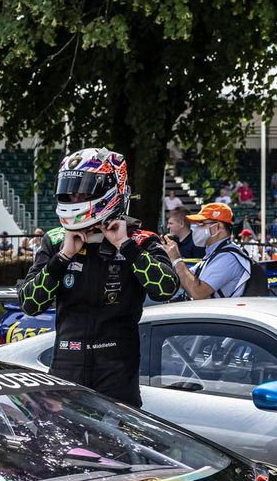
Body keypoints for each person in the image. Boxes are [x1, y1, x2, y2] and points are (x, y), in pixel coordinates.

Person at [18, 148, 178, 405]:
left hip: (116, 373)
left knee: (115, 446)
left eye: (82, 190)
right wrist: (63, 257)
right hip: (66, 369)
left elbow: (167, 288)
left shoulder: (141, 240)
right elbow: (30, 303)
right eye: (68, 191)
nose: (74, 197)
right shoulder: (56, 240)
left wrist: (126, 246)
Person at [165, 201, 249, 299]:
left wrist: (176, 259)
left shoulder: (228, 257)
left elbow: (198, 293)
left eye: (201, 223)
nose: (196, 228)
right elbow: (185, 280)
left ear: (218, 227)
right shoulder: (214, 253)